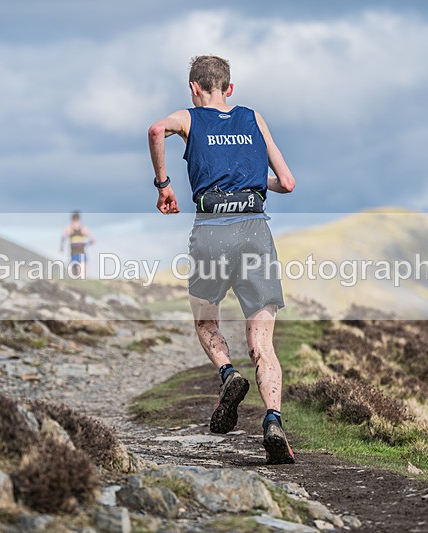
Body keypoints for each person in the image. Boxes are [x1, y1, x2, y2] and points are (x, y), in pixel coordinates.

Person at [147, 55, 297, 464]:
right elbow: (287, 182)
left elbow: (157, 129)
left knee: (206, 319)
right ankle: (272, 421)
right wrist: (250, 180)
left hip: (212, 230)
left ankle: (228, 374)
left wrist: (164, 185)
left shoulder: (191, 118)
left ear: (194, 88)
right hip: (254, 230)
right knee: (262, 340)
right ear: (229, 89)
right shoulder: (253, 117)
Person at [60, 211, 95, 278]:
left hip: (79, 250)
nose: (75, 223)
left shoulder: (79, 228)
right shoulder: (73, 228)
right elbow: (93, 240)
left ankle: (82, 279)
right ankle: (79, 279)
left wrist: (62, 247)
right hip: (76, 250)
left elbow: (63, 237)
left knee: (82, 268)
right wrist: (88, 243)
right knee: (76, 270)